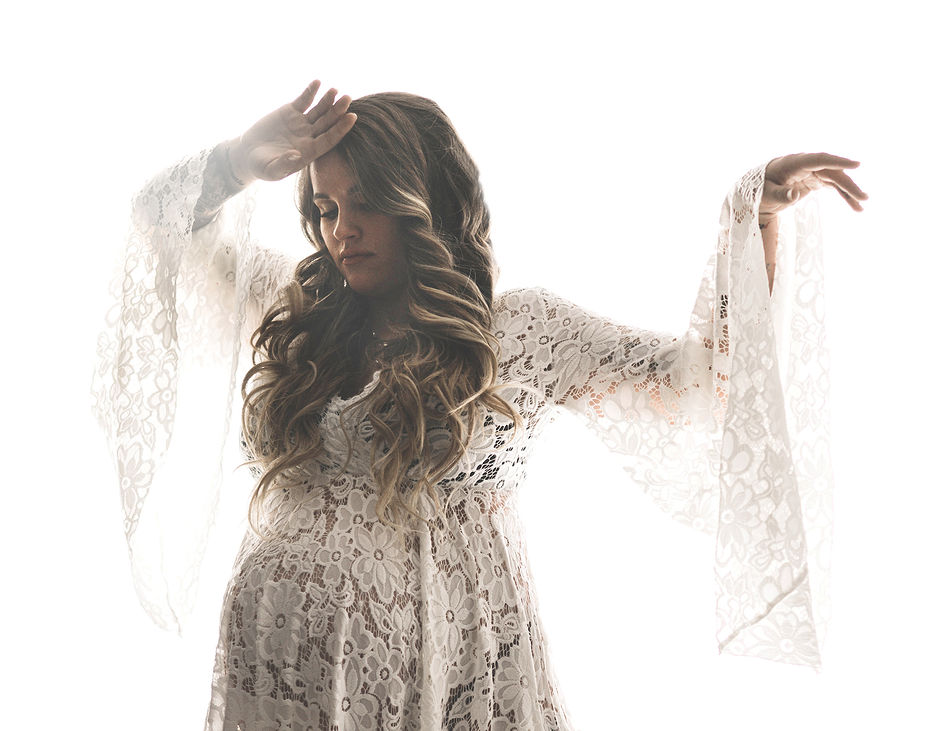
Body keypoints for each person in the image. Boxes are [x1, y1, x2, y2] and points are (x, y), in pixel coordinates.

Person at [92, 79, 866, 730]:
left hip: (454, 657)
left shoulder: (516, 333)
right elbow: (153, 225)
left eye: (366, 204)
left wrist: (754, 219)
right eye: (326, 209)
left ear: (424, 200)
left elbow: (704, 385)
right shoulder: (296, 306)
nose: (341, 231)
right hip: (281, 655)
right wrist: (236, 162)